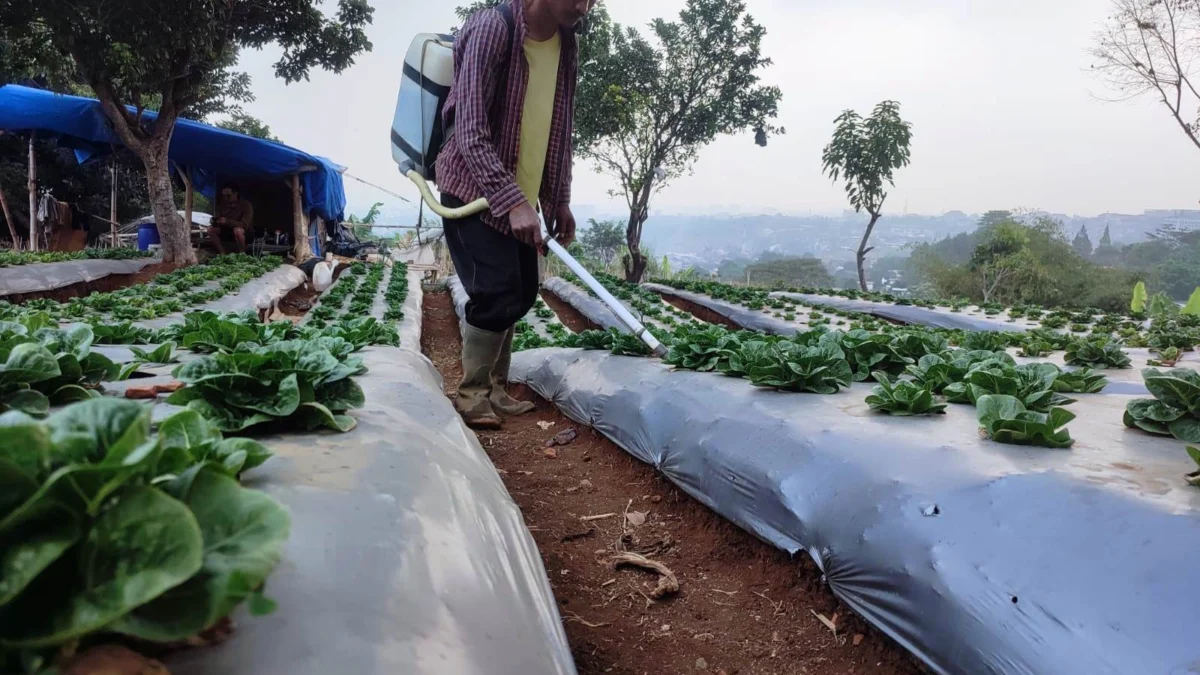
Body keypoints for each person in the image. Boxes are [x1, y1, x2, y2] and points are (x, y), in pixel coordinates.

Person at [436, 0, 593, 430]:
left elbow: (560, 128)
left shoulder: (567, 44)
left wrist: (558, 198)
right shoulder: (493, 28)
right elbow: (469, 130)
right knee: (498, 289)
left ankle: (496, 388)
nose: (585, 6)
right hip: (471, 189)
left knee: (524, 292)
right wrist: (511, 199)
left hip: (519, 195)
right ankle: (471, 393)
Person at [209, 184, 254, 254]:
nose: (226, 198)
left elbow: (244, 225)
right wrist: (214, 221)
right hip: (226, 231)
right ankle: (222, 252)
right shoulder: (221, 205)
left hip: (244, 232)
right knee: (210, 229)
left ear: (236, 194)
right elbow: (217, 218)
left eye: (228, 196)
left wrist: (227, 221)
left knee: (238, 230)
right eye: (224, 196)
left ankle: (242, 254)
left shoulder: (246, 205)